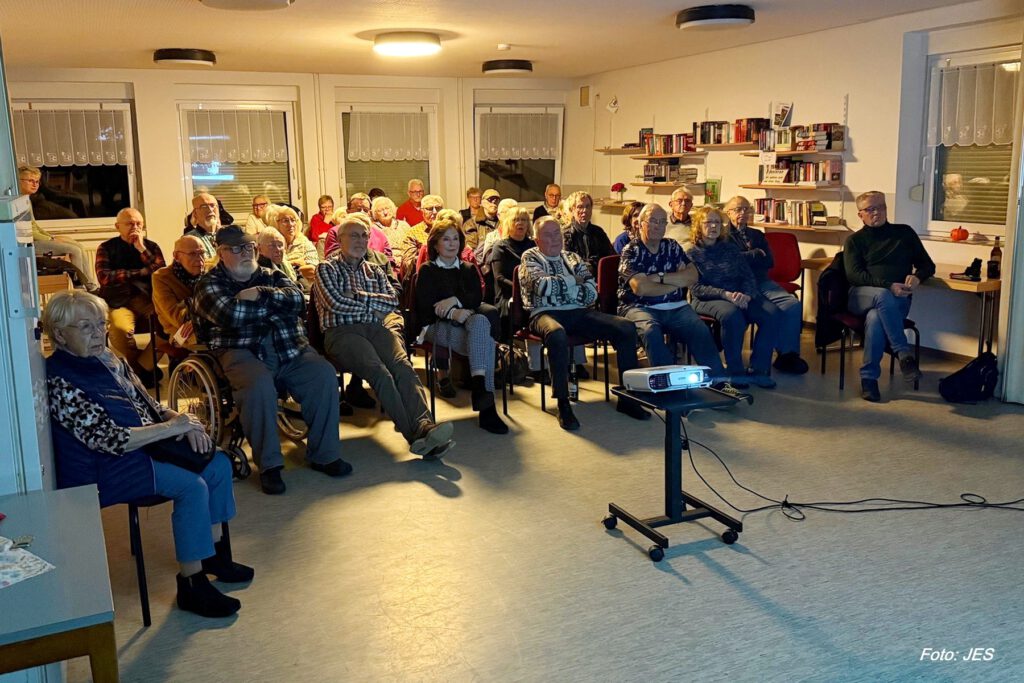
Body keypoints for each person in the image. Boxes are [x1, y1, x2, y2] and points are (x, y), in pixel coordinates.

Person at [43, 290, 253, 618]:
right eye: (85, 327)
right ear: (59, 334)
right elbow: (109, 440)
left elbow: (149, 405)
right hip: (106, 467)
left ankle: (213, 556)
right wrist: (173, 429)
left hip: (147, 446)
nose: (98, 334)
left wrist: (182, 423)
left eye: (101, 324)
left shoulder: (110, 358)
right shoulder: (60, 380)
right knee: (192, 486)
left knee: (219, 465)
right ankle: (192, 583)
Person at [192, 226, 350, 495]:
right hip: (241, 350)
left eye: (249, 248)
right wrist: (274, 308)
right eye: (236, 249)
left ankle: (324, 454)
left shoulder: (271, 274)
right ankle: (269, 465)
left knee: (322, 375)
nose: (245, 253)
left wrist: (260, 294)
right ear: (220, 253)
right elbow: (230, 315)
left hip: (289, 348)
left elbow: (298, 300)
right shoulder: (209, 284)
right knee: (258, 386)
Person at [313, 213, 455, 460]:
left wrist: (356, 295)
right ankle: (416, 435)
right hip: (342, 333)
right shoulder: (326, 268)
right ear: (340, 239)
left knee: (402, 366)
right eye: (354, 235)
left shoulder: (375, 270)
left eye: (364, 236)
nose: (361, 240)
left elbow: (391, 301)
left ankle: (425, 425)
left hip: (375, 328)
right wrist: (371, 305)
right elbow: (335, 304)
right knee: (380, 372)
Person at [519, 216, 649, 430]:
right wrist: (573, 283)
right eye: (547, 235)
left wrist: (561, 288)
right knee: (557, 334)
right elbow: (541, 288)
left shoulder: (572, 257)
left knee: (626, 327)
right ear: (536, 239)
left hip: (579, 311)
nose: (554, 239)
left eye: (557, 234)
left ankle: (629, 397)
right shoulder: (529, 257)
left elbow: (590, 293)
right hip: (542, 313)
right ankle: (562, 403)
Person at [618, 204, 746, 397]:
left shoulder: (671, 246)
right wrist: (675, 282)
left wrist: (659, 277)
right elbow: (640, 288)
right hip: (639, 306)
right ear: (640, 224)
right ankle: (669, 388)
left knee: (699, 329)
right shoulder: (631, 250)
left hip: (675, 305)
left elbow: (692, 276)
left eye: (662, 221)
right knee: (651, 331)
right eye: (653, 221)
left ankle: (718, 383)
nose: (659, 226)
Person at [415, 215, 508, 434]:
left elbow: (476, 297)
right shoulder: (427, 270)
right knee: (483, 339)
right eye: (446, 239)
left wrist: (452, 302)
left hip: (467, 322)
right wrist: (453, 312)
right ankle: (487, 407)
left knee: (480, 323)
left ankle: (479, 388)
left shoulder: (467, 268)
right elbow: (427, 307)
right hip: (435, 327)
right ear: (435, 244)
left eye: (455, 239)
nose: (452, 244)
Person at [844, 191, 934, 402]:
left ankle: (869, 379)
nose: (877, 212)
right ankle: (903, 353)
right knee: (883, 295)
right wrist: (888, 286)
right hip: (861, 295)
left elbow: (927, 265)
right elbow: (854, 276)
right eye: (870, 209)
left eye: (881, 207)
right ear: (860, 215)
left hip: (896, 300)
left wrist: (917, 277)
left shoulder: (904, 233)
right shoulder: (855, 241)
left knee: (875, 318)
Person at [685, 206, 779, 389]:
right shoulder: (692, 253)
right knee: (732, 316)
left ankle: (759, 369)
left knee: (772, 314)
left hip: (739, 294)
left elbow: (747, 276)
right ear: (698, 226)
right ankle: (736, 372)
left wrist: (747, 294)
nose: (713, 226)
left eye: (717, 222)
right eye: (708, 222)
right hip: (708, 298)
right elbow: (696, 288)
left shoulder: (730, 248)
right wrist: (725, 295)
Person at [724, 196, 809, 375]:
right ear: (728, 212)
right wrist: (754, 254)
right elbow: (730, 263)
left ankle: (787, 355)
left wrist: (745, 257)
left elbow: (769, 261)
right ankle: (756, 361)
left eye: (747, 209)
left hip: (762, 281)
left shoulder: (757, 235)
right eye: (738, 209)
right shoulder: (723, 236)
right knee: (769, 311)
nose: (743, 213)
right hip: (738, 285)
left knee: (792, 305)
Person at [95, 208, 166, 385]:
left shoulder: (151, 246)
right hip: (119, 301)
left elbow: (161, 273)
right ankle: (142, 372)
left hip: (147, 299)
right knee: (119, 330)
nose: (134, 227)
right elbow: (104, 277)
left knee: (169, 327)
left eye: (138, 224)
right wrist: (141, 271)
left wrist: (141, 249)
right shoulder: (106, 247)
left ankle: (139, 370)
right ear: (118, 226)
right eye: (129, 223)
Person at [19, 166, 98, 288]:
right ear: (19, 181)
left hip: (38, 239)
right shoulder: (17, 203)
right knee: (74, 250)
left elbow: (35, 226)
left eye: (37, 181)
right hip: (29, 244)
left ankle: (91, 284)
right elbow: (27, 231)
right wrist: (50, 240)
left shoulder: (27, 200)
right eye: (30, 181)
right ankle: (81, 287)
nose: (35, 184)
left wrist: (52, 237)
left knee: (79, 246)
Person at [152, 235, 206, 349]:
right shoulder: (161, 277)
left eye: (202, 253)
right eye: (192, 254)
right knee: (207, 337)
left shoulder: (210, 271)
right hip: (180, 332)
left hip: (203, 323)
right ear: (176, 256)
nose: (200, 259)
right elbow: (178, 317)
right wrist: (205, 315)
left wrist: (198, 318)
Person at [561, 191, 613, 276]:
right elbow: (566, 263)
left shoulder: (599, 232)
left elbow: (609, 258)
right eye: (580, 207)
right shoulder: (565, 234)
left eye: (588, 206)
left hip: (598, 278)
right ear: (572, 210)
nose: (584, 210)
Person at [270, 204, 320, 282]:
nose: (291, 224)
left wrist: (285, 266)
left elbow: (312, 270)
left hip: (303, 289)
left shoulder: (304, 243)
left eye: (293, 220)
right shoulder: (271, 244)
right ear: (276, 223)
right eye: (285, 220)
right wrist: (295, 262)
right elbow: (271, 270)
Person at [399, 194, 444, 276]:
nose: (434, 212)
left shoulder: (449, 230)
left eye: (438, 208)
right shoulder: (413, 232)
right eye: (430, 209)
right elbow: (407, 263)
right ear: (422, 211)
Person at [184, 193, 223, 259]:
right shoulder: (189, 240)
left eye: (212, 205)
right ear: (195, 214)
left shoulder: (229, 235)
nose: (210, 210)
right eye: (204, 206)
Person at [464, 188, 500, 253]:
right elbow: (470, 247)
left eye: (496, 200)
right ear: (483, 202)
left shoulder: (503, 222)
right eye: (490, 199)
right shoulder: (472, 223)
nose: (494, 202)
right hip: (480, 260)